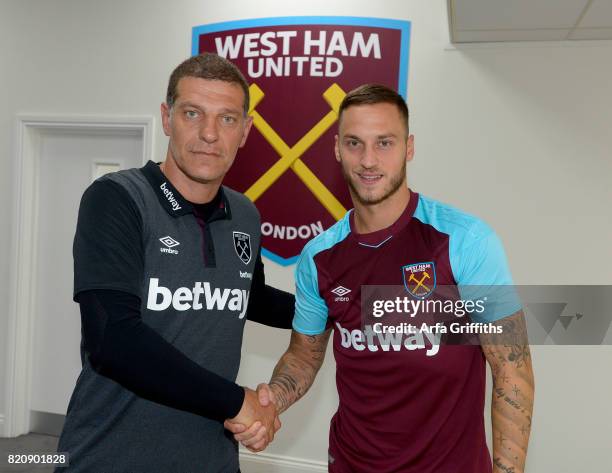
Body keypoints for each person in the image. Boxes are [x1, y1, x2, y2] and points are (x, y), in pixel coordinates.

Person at [227, 84, 535, 472]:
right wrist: (270, 400)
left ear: (408, 148)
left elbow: (512, 370)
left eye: (384, 143)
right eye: (355, 143)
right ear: (338, 148)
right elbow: (305, 356)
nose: (368, 160)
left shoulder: (464, 241)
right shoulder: (319, 257)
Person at [55, 53, 290, 473]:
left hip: (211, 460)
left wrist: (334, 306)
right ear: (167, 118)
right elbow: (112, 340)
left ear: (246, 131)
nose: (209, 134)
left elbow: (245, 296)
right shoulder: (117, 199)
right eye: (192, 113)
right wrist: (238, 402)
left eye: (227, 119)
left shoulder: (246, 214)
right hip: (109, 458)